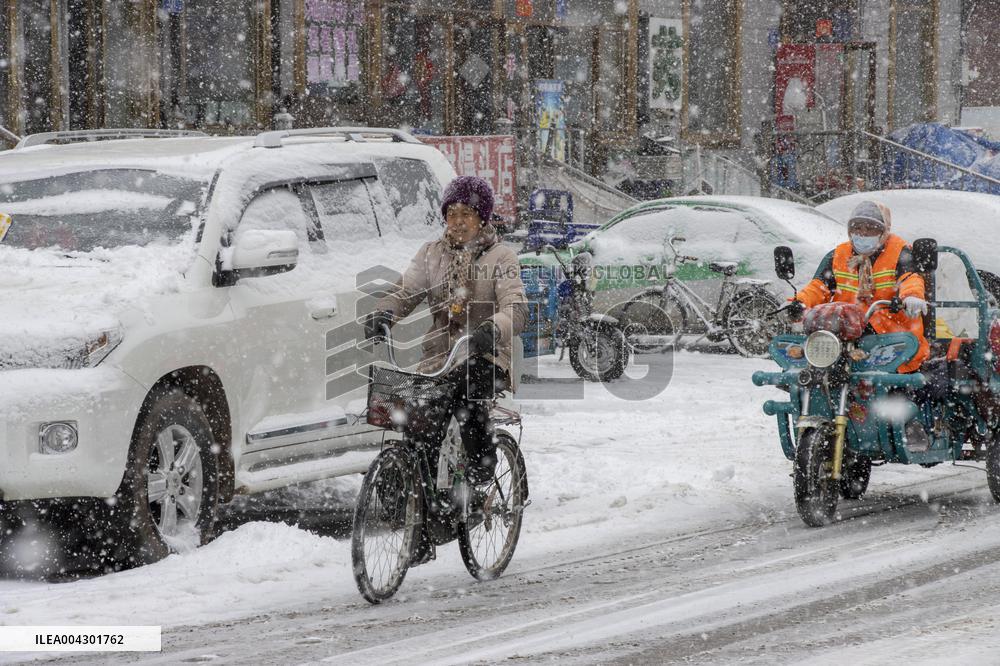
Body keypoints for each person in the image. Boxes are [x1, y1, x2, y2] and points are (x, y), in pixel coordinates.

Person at [364, 175, 528, 562]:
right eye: (451, 213)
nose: (457, 221)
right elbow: (407, 291)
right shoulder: (431, 253)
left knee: (465, 403)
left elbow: (516, 309)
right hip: (440, 355)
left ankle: (479, 475)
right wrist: (384, 313)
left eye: (466, 214)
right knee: (413, 418)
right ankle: (420, 522)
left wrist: (494, 329)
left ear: (483, 219)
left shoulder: (500, 257)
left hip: (485, 356)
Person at [788, 200, 929, 373]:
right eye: (857, 227)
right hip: (845, 327)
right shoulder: (838, 255)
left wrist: (911, 296)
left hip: (889, 330)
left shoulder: (900, 252)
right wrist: (800, 302)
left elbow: (911, 278)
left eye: (870, 228)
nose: (863, 233)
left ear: (884, 231)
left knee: (895, 381)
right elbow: (818, 287)